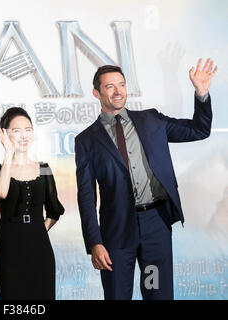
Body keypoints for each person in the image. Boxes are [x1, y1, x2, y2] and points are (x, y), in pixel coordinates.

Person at [75, 60, 217, 300]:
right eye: (110, 87)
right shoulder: (87, 140)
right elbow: (86, 195)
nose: (118, 91)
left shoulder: (152, 121)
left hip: (155, 227)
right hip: (116, 232)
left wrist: (201, 93)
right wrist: (94, 242)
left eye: (121, 84)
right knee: (118, 295)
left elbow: (198, 130)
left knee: (157, 294)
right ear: (96, 93)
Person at [0, 107, 64, 300]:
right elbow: (0, 193)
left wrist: (38, 230)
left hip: (40, 248)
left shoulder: (44, 169)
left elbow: (54, 211)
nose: (24, 135)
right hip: (9, 247)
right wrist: (8, 155)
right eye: (17, 130)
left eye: (28, 129)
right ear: (4, 134)